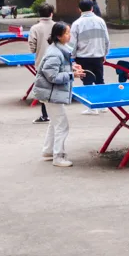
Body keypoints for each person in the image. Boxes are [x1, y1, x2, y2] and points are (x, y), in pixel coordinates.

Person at [33, 21, 86, 168]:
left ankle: (48, 151)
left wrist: (72, 67)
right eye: (67, 33)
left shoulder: (59, 49)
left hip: (51, 93)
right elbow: (53, 76)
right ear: (58, 36)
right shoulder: (54, 53)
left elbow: (59, 67)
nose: (69, 35)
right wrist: (72, 75)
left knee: (55, 123)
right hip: (51, 94)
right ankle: (58, 157)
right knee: (62, 125)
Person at [70, 0, 111, 115]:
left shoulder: (76, 24)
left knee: (87, 81)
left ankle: (92, 107)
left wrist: (72, 57)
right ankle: (103, 105)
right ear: (92, 8)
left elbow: (73, 43)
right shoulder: (100, 21)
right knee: (100, 80)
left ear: (79, 9)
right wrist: (104, 53)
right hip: (98, 55)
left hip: (83, 57)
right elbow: (106, 39)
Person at [28, 3, 56, 124]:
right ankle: (56, 113)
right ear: (51, 14)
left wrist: (36, 49)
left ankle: (45, 115)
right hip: (56, 61)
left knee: (44, 89)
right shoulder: (57, 26)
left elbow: (32, 46)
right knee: (57, 87)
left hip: (41, 62)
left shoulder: (35, 28)